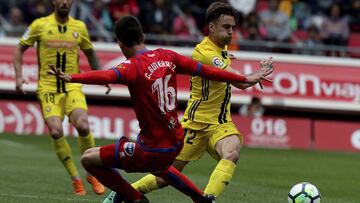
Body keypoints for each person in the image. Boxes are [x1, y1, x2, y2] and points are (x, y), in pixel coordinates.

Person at [48, 15, 273, 203]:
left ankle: (133, 198)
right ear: (143, 36)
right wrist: (245, 77)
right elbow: (208, 71)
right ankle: (201, 198)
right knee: (162, 168)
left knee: (89, 158)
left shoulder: (131, 67)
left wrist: (71, 76)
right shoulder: (169, 56)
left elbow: (107, 75)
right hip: (176, 141)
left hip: (153, 149)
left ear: (120, 44)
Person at [13, 0, 108, 196]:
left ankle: (92, 173)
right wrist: (19, 76)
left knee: (83, 125)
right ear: (53, 1)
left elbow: (90, 52)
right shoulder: (39, 25)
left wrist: (101, 76)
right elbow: (19, 48)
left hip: (72, 86)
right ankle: (75, 178)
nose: (64, 2)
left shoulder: (79, 27)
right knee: (56, 131)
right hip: (48, 88)